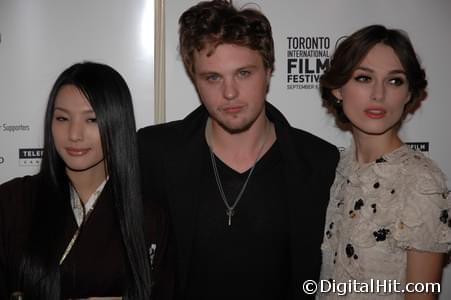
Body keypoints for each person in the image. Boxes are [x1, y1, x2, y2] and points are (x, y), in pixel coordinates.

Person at [138, 1, 339, 299]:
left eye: (243, 73)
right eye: (213, 77)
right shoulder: (154, 153)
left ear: (268, 70)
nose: (229, 93)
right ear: (195, 79)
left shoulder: (319, 162)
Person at [0, 62, 173, 299]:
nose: (74, 134)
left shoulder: (149, 217)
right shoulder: (12, 201)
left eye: (91, 120)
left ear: (117, 123)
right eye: (62, 118)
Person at [319, 25, 451, 299]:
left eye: (394, 81)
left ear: (409, 94)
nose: (379, 94)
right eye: (364, 78)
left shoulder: (421, 182)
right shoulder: (335, 168)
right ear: (337, 89)